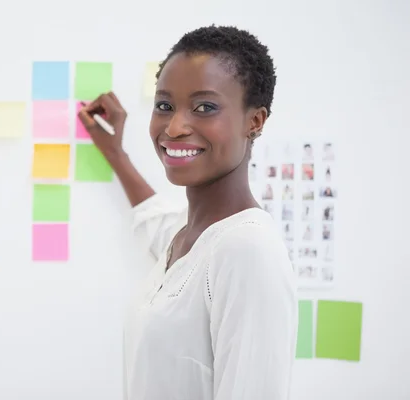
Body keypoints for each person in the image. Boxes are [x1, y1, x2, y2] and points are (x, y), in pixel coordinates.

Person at [78, 25, 297, 400]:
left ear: (254, 122)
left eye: (205, 107)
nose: (175, 127)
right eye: (164, 106)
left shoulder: (247, 250)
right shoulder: (187, 234)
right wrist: (115, 152)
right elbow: (155, 219)